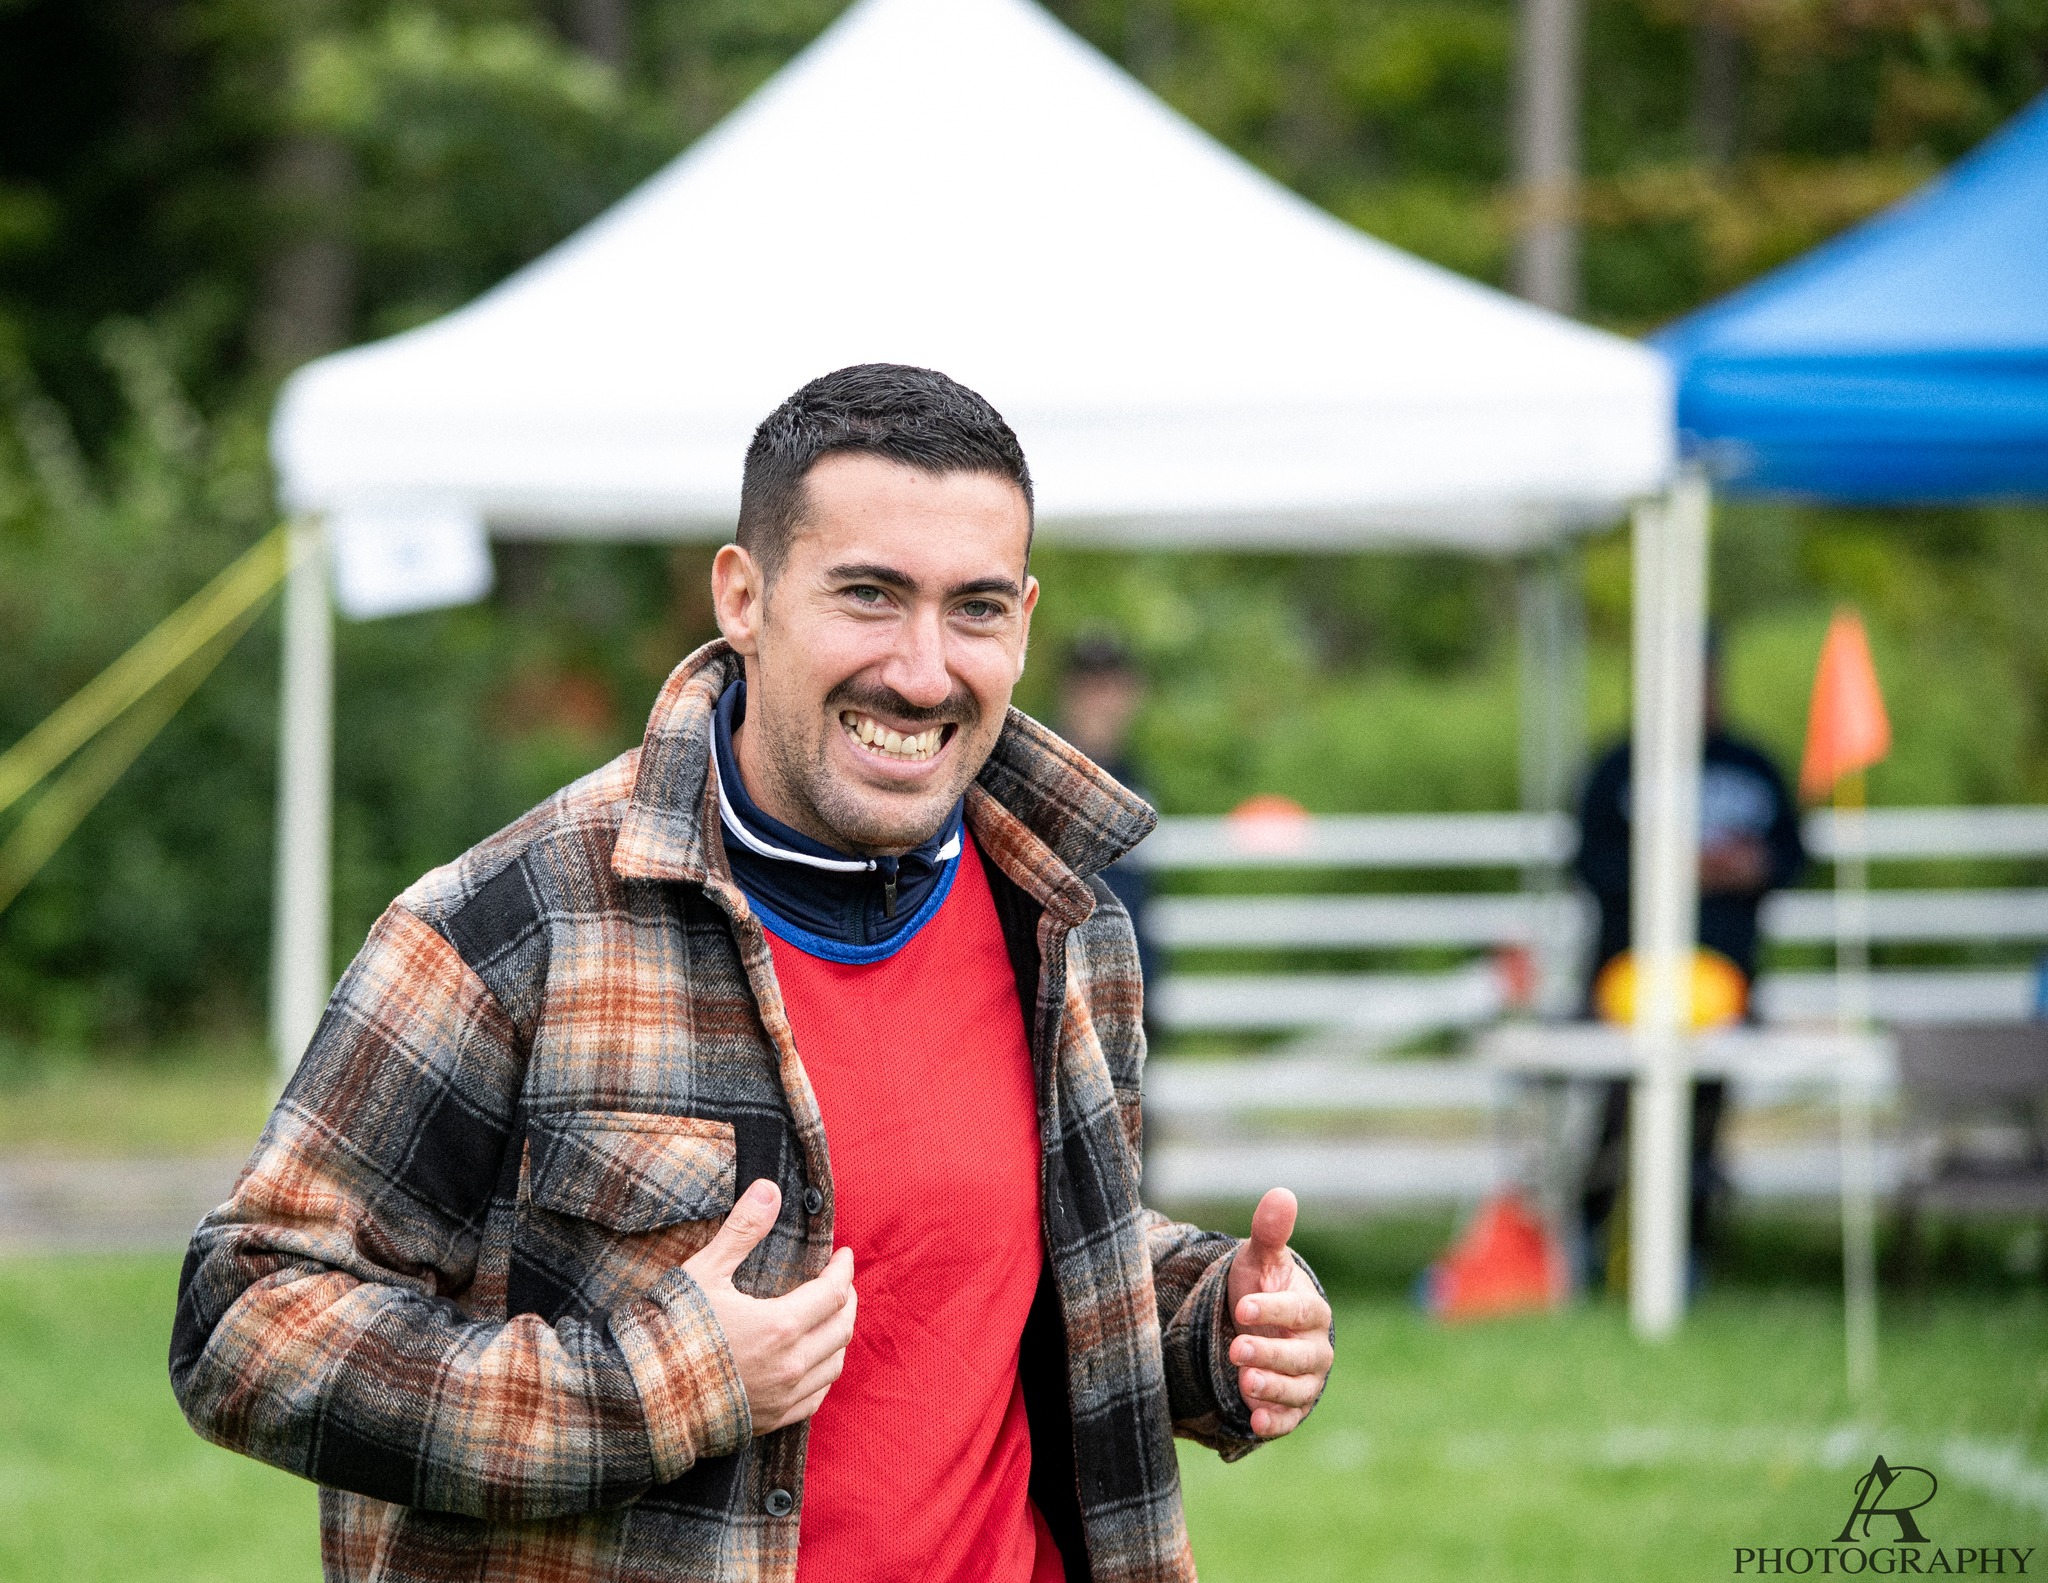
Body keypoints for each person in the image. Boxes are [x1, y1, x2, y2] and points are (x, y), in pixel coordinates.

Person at [171, 365, 1333, 1583]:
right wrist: (656, 1384)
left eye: (974, 608)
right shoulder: (510, 924)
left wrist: (1210, 1322)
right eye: (869, 595)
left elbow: (983, 1263)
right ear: (744, 594)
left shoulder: (1061, 912)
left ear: (1026, 620)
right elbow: (246, 1321)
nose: (923, 669)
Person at [1573, 637, 1805, 1284]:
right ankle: (1597, 1232)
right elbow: (1591, 864)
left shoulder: (1751, 763)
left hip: (1726, 982)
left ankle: (1692, 1241)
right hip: (1628, 979)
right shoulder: (1619, 766)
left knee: (1704, 1114)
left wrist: (1748, 866)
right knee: (1621, 1110)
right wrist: (1679, 865)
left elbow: (1791, 854)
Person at [1057, 634, 1159, 998]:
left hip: (1132, 984)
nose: (1100, 702)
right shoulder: (1042, 776)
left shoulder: (1137, 781)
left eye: (1111, 687)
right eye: (1090, 688)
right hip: (1069, 988)